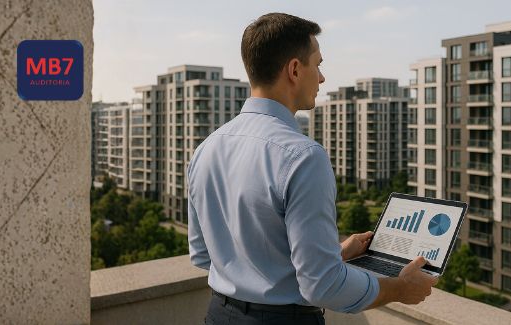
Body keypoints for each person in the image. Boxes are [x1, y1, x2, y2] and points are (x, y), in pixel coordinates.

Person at [187, 12, 438, 325]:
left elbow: (203, 255)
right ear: (294, 69)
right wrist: (399, 288)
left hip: (218, 316)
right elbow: (323, 286)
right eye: (317, 64)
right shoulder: (303, 156)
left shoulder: (206, 149)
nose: (321, 78)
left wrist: (334, 254)